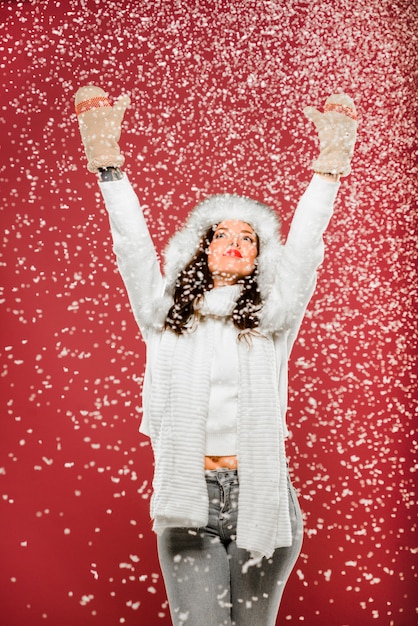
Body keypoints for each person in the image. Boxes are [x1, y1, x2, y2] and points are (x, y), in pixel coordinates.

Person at [74, 85, 357, 626]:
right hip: (188, 504)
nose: (234, 241)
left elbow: (304, 251)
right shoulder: (162, 314)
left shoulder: (273, 323)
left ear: (258, 256)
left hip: (264, 497)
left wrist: (329, 168)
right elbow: (132, 246)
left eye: (248, 237)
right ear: (199, 251)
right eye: (220, 234)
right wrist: (107, 162)